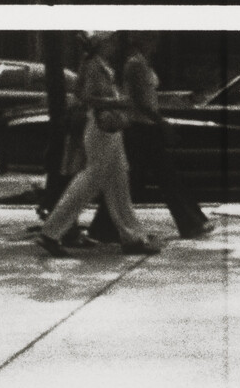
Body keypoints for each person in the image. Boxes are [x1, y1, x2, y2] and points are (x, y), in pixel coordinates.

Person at [35, 31, 159, 258]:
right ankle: (51, 233)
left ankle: (132, 237)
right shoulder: (94, 65)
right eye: (110, 40)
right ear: (102, 44)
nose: (113, 44)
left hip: (107, 127)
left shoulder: (97, 63)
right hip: (103, 127)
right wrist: (122, 102)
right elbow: (88, 97)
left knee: (118, 181)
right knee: (92, 179)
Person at [87, 31, 212, 242]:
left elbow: (148, 97)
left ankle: (105, 228)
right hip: (141, 127)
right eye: (153, 40)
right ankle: (191, 222)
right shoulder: (135, 65)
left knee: (139, 180)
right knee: (162, 176)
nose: (156, 45)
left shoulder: (141, 63)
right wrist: (161, 122)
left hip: (145, 126)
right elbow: (140, 101)